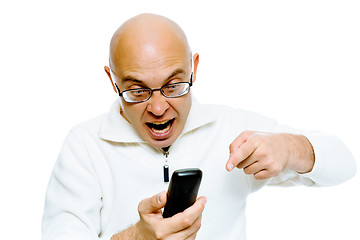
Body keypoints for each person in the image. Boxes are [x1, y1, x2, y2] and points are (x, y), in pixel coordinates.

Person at [42, 13, 356, 240]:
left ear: (194, 68)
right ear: (112, 80)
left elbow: (345, 164)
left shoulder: (232, 128)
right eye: (137, 91)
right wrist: (135, 239)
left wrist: (289, 148)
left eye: (174, 85)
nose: (158, 107)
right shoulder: (84, 146)